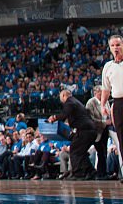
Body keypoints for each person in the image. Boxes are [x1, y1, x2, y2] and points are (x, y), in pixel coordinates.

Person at [48, 88, 98, 179]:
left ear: (63, 95)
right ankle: (90, 171)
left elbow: (64, 114)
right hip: (90, 130)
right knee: (80, 151)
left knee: (74, 149)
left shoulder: (69, 102)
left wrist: (54, 117)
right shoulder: (76, 102)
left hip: (85, 130)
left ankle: (78, 173)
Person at [100, 34, 123, 178]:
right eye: (113, 45)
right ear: (109, 48)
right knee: (121, 138)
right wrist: (103, 104)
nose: (116, 48)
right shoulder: (107, 66)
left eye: (118, 44)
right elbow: (105, 89)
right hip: (118, 103)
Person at [87, 86, 109, 178]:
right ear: (96, 93)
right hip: (96, 132)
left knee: (104, 152)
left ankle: (104, 172)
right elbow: (91, 119)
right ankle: (99, 173)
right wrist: (104, 122)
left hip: (105, 130)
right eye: (101, 93)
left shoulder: (106, 101)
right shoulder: (90, 103)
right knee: (100, 151)